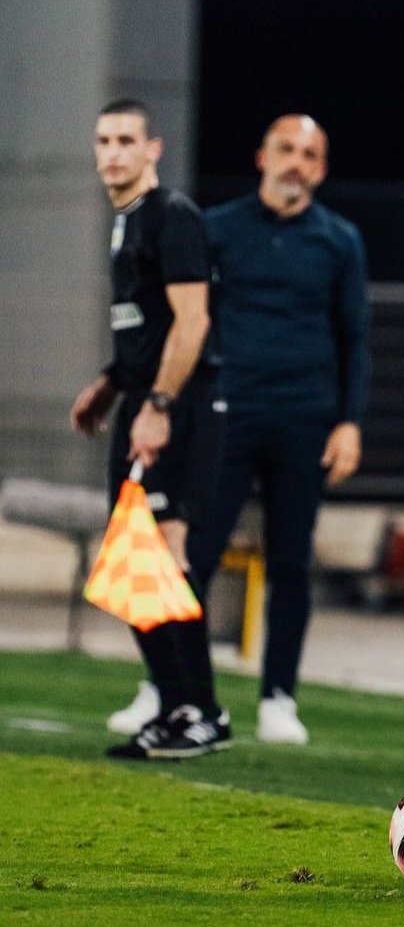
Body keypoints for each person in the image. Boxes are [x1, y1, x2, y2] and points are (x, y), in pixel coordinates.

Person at [183, 114, 371, 745]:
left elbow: (355, 338)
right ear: (261, 156)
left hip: (304, 420)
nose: (297, 161)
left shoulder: (339, 240)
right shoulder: (215, 230)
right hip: (225, 415)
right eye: (286, 149)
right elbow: (184, 325)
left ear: (321, 168)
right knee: (196, 555)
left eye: (310, 153)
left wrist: (349, 422)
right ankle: (172, 690)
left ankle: (279, 698)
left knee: (290, 562)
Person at [70, 98, 230, 760]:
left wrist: (158, 404)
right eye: (104, 139)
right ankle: (183, 707)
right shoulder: (126, 221)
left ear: (152, 149)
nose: (113, 151)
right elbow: (148, 322)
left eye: (126, 139)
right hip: (143, 396)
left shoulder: (173, 215)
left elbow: (191, 321)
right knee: (139, 561)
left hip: (180, 405)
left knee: (158, 558)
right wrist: (111, 384)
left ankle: (193, 708)